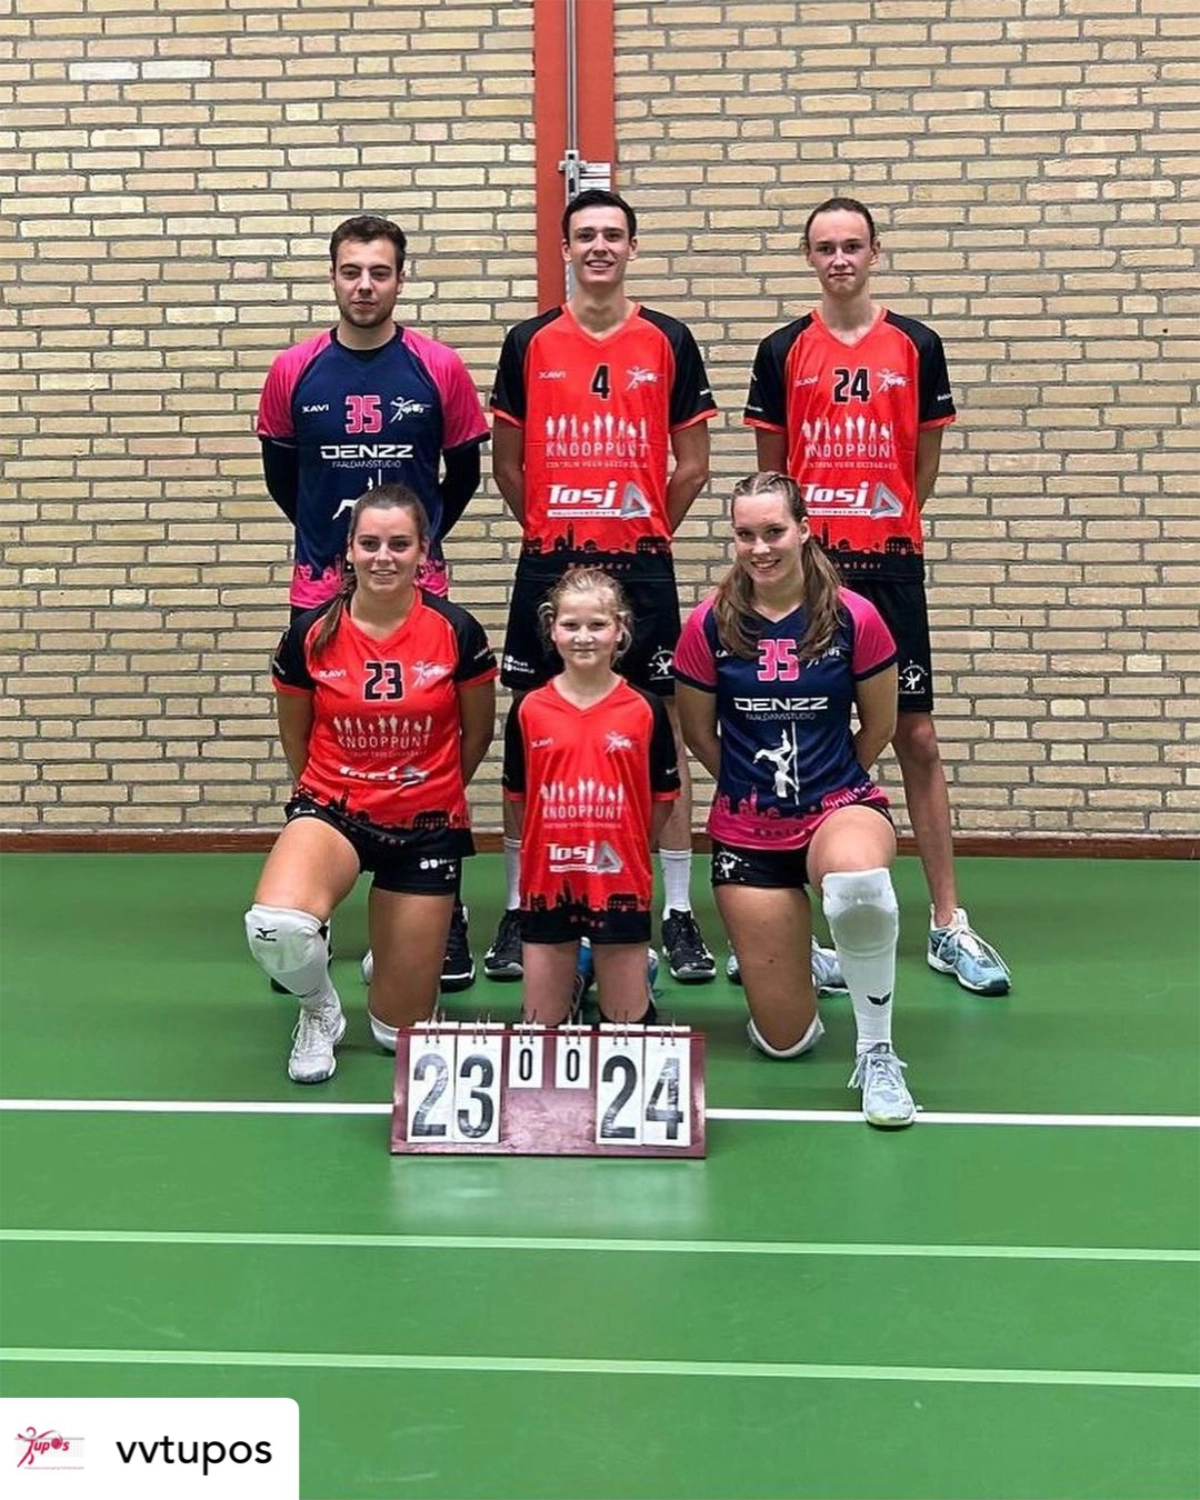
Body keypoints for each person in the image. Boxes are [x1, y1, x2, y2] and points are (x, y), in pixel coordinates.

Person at [744, 196, 1010, 996]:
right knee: (800, 727)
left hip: (889, 567)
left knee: (916, 736)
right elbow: (774, 476)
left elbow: (920, 469)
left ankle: (947, 923)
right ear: (808, 257)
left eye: (852, 245)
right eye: (825, 247)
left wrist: (882, 522)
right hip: (810, 573)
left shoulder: (917, 345)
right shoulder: (782, 349)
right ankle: (803, 927)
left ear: (875, 253)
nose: (840, 259)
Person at [484, 188, 717, 987]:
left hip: (641, 562)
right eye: (585, 234)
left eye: (613, 234)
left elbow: (693, 465)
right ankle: (523, 905)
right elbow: (506, 463)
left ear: (632, 247)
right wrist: (553, 529)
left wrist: (644, 530)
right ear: (564, 248)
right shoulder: (528, 342)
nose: (599, 247)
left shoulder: (669, 339)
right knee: (532, 723)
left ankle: (675, 910)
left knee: (662, 729)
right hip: (550, 557)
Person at [256, 213, 490, 990]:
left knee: (432, 742)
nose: (364, 285)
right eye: (351, 270)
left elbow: (462, 476)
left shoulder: (438, 368)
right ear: (333, 276)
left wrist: (408, 551)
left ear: (400, 279)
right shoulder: (294, 371)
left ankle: (441, 913)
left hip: (418, 593)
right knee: (326, 740)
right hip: (322, 591)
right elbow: (284, 480)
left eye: (379, 272)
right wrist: (340, 553)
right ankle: (311, 917)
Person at [675, 473, 914, 1128]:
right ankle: (805, 955)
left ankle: (877, 1052)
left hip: (838, 807)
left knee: (859, 883)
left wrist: (829, 786)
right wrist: (752, 788)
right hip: (748, 829)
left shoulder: (855, 617)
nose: (760, 548)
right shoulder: (708, 624)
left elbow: (881, 726)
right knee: (786, 1042)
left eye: (774, 531)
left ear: (804, 530)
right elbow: (699, 733)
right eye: (746, 534)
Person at [244, 485, 496, 1083]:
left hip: (425, 824)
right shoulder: (311, 634)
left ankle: (398, 960)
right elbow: (296, 737)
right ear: (350, 551)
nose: (384, 557)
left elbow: (478, 734)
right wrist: (330, 796)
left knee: (396, 1036)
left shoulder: (457, 630)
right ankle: (319, 1009)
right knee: (276, 927)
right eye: (370, 543)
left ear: (423, 552)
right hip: (335, 809)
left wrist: (426, 792)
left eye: (399, 544)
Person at [503, 568, 679, 1025]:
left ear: (620, 629)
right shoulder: (528, 710)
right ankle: (577, 977)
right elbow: (519, 799)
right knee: (541, 1028)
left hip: (619, 881)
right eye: (571, 625)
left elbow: (662, 800)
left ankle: (626, 979)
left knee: (627, 1028)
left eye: (597, 625)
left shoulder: (645, 708)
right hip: (547, 881)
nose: (584, 637)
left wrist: (626, 846)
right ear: (552, 629)